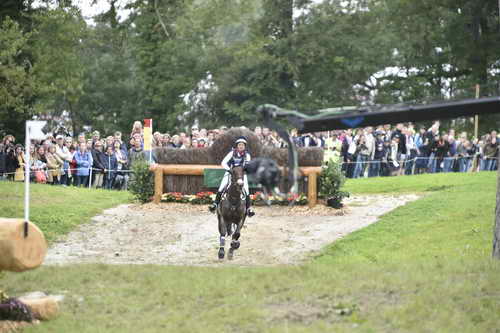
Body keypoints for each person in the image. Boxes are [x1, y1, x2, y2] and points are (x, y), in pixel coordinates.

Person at [209, 137, 254, 217]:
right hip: (231, 173)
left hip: (241, 175)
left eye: (243, 145)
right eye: (239, 145)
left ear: (244, 146)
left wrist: (243, 171)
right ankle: (215, 204)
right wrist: (229, 170)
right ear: (237, 146)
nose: (241, 146)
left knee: (246, 190)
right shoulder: (232, 153)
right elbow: (223, 163)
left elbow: (248, 165)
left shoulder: (247, 155)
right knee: (222, 187)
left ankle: (249, 209)